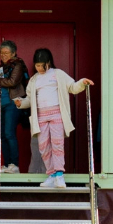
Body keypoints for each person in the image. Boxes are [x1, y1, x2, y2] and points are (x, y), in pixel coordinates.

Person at [13, 48, 93, 188]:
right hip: (41, 117)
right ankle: (51, 175)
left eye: (41, 65)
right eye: (37, 65)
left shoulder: (58, 74)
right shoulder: (34, 79)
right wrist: (21, 103)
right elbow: (30, 99)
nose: (39, 68)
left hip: (56, 114)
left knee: (57, 144)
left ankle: (59, 175)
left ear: (48, 63)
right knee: (43, 146)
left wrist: (82, 83)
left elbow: (72, 87)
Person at [0, 40, 29, 173]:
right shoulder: (0, 68)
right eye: (1, 53)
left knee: (9, 133)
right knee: (3, 135)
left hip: (13, 103)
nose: (3, 55)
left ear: (13, 53)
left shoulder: (17, 64)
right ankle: (6, 165)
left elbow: (12, 81)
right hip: (1, 104)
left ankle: (14, 164)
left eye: (6, 53)